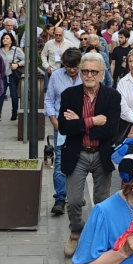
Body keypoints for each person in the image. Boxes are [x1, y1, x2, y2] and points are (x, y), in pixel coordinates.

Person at [60, 52, 123, 257]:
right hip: (77, 153)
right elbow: (63, 128)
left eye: (93, 71)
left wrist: (79, 122)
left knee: (102, 200)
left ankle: (99, 235)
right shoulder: (69, 95)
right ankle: (76, 232)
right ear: (80, 72)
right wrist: (92, 121)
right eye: (85, 71)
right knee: (75, 200)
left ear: (101, 73)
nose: (89, 75)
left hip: (100, 153)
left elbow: (111, 131)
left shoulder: (112, 96)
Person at [46, 48, 84, 216]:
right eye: (68, 66)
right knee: (60, 161)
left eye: (75, 66)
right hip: (62, 126)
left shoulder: (86, 75)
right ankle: (60, 198)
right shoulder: (56, 76)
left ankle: (77, 195)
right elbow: (49, 99)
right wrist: (54, 120)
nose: (72, 70)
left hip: (83, 125)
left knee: (82, 160)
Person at [0, 31, 25, 121]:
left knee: (14, 95)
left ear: (11, 40)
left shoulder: (16, 50)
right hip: (2, 75)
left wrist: (18, 64)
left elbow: (26, 59)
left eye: (7, 38)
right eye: (3, 38)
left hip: (12, 75)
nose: (4, 40)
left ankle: (14, 113)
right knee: (1, 95)